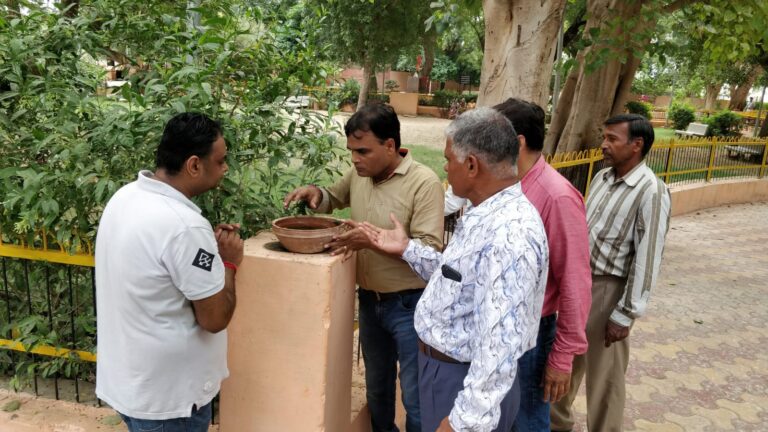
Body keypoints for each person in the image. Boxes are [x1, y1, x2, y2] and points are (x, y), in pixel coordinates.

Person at [353, 107, 549, 432]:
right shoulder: (483, 212)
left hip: (462, 382)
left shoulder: (510, 233)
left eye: (448, 160)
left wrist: (463, 423)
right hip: (446, 373)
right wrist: (407, 248)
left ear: (471, 165)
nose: (445, 168)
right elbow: (457, 276)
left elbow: (499, 345)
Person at [283, 103, 444, 432]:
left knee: (414, 396)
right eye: (351, 151)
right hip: (371, 303)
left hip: (410, 305)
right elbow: (333, 197)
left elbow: (430, 252)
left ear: (390, 146)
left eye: (362, 151)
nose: (355, 159)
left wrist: (374, 241)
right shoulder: (361, 174)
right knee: (377, 391)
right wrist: (316, 194)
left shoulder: (424, 183)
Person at [442, 99, 591, 432]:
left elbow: (575, 282)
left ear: (516, 142)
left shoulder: (557, 196)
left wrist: (562, 356)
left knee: (526, 421)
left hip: (531, 339)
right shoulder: (500, 186)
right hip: (491, 330)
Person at [95, 112, 244, 432]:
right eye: (220, 161)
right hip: (170, 401)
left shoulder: (125, 197)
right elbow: (214, 318)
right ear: (194, 165)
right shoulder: (185, 227)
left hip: (131, 385)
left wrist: (207, 256)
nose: (225, 168)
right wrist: (228, 264)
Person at [551, 114, 671, 432]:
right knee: (565, 363)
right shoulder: (602, 178)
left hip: (608, 291)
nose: (604, 145)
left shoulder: (651, 191)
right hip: (579, 286)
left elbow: (648, 257)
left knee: (605, 381)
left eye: (612, 139)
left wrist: (626, 313)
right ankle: (557, 425)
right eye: (604, 137)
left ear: (637, 145)